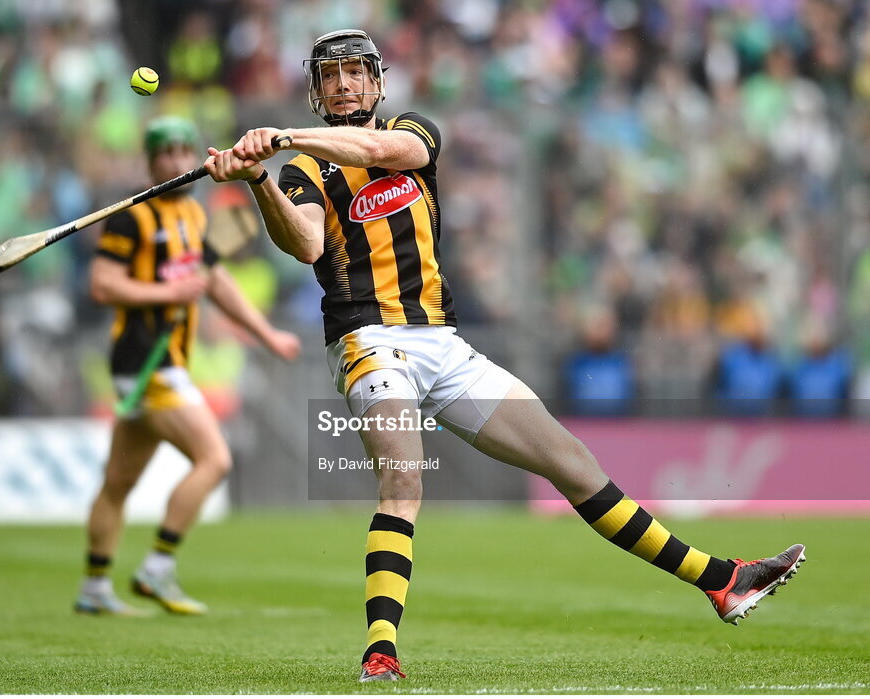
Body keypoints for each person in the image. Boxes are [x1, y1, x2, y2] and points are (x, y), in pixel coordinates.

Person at [203, 30, 805, 682]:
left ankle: (721, 580)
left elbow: (382, 150)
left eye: (356, 73)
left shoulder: (412, 130)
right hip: (367, 340)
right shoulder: (303, 171)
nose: (345, 84)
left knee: (573, 463)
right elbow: (306, 245)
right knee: (404, 481)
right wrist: (261, 178)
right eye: (332, 76)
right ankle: (381, 649)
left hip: (444, 344)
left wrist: (284, 134)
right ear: (317, 91)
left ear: (378, 83)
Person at [76, 115, 301, 616]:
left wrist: (265, 334)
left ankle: (93, 588)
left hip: (165, 361)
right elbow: (102, 285)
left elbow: (215, 283)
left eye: (185, 150)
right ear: (151, 160)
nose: (178, 160)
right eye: (167, 152)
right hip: (144, 359)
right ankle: (157, 567)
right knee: (215, 459)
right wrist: (169, 291)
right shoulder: (132, 216)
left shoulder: (195, 217)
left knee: (118, 482)